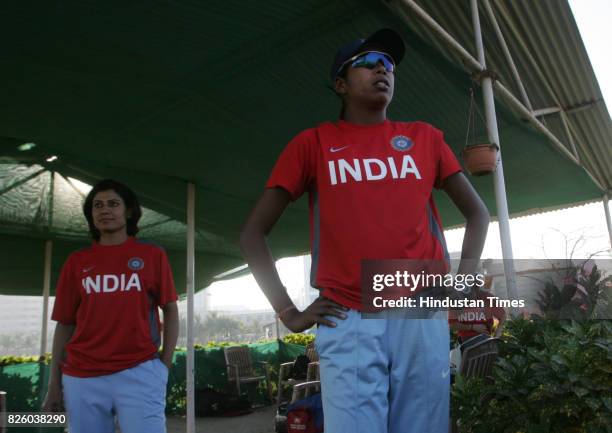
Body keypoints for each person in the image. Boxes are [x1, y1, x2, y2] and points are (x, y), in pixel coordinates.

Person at [240, 29, 489, 433]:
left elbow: (478, 214)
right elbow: (252, 233)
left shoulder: (424, 138)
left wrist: (462, 281)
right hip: (347, 317)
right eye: (366, 63)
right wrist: (288, 311)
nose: (381, 69)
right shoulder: (313, 144)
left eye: (388, 64)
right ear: (340, 84)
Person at [42, 179, 179, 433]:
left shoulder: (152, 255)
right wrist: (53, 384)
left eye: (113, 204)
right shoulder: (76, 262)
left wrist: (164, 366)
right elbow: (65, 323)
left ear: (128, 211)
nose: (105, 210)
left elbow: (170, 309)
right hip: (81, 377)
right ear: (91, 215)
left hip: (140, 371)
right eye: (97, 205)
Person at [449, 275, 507, 349]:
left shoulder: (487, 297)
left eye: (474, 287)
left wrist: (499, 330)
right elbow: (452, 325)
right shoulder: (457, 300)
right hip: (466, 340)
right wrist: (472, 327)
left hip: (486, 338)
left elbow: (502, 315)